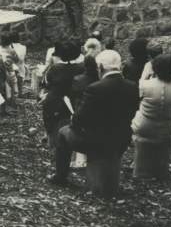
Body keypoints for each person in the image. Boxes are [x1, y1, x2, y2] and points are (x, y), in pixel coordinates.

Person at [48, 50, 139, 186]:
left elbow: (81, 118)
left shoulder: (95, 89)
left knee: (62, 132)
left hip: (96, 140)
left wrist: (74, 120)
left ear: (100, 67)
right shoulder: (132, 87)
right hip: (122, 139)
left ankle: (60, 177)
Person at [131, 53, 171, 152]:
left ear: (155, 68)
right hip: (167, 126)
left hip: (145, 126)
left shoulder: (145, 85)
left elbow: (138, 98)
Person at [40, 40, 85, 145]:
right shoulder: (82, 67)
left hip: (56, 98)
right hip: (74, 99)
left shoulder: (55, 68)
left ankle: (50, 138)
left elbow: (47, 82)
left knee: (50, 118)